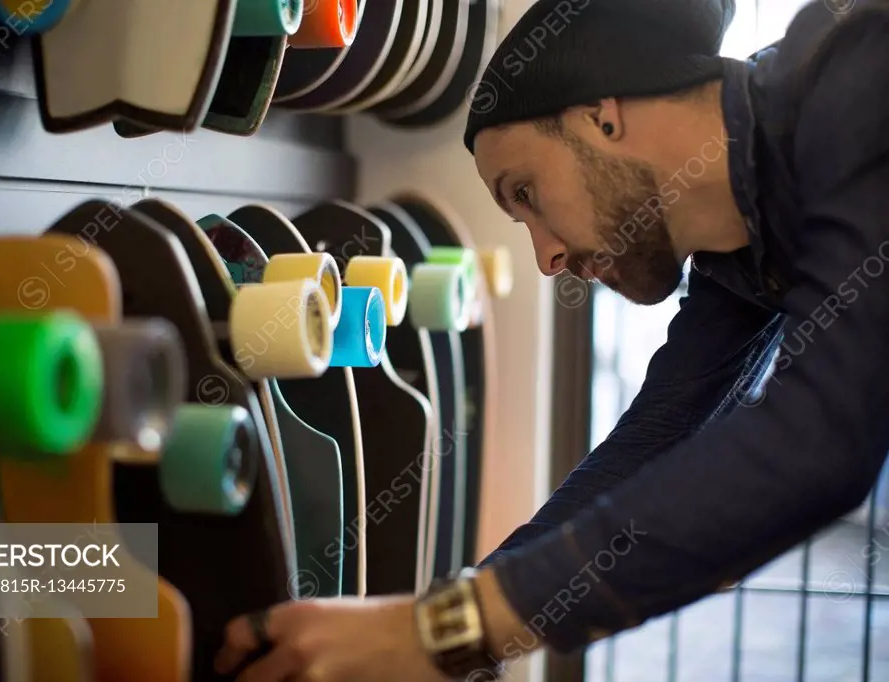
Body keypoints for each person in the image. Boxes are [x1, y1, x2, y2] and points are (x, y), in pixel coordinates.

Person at [215, 0, 889, 679]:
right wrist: (443, 643)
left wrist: (438, 633)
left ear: (604, 114)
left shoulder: (859, 70)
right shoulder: (738, 247)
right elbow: (650, 446)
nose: (546, 258)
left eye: (527, 193)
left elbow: (818, 441)